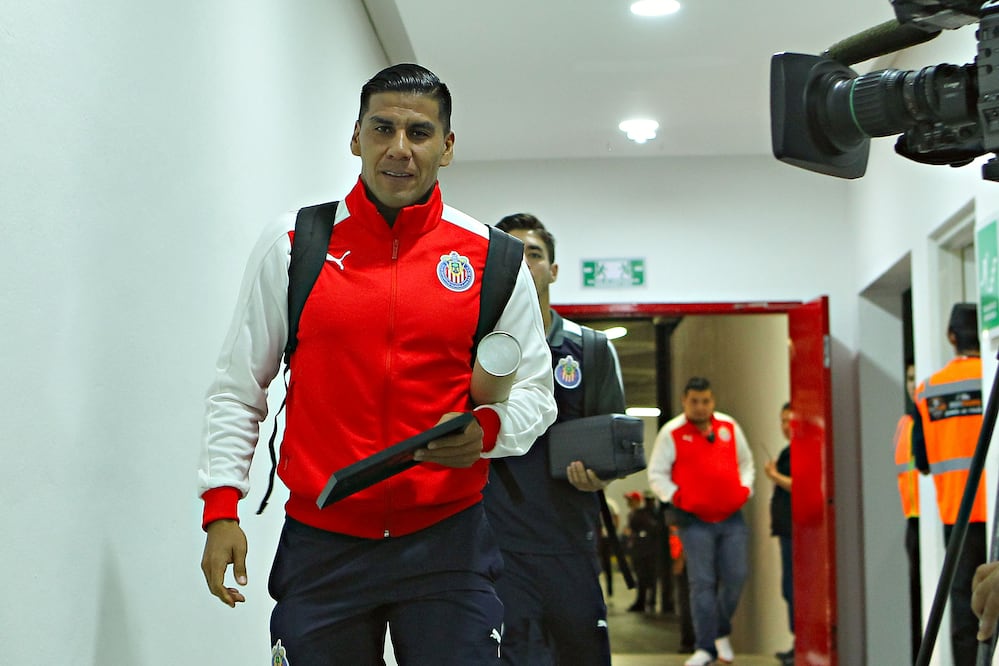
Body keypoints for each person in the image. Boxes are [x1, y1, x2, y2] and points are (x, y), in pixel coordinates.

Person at [196, 64, 558, 666]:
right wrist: (220, 509)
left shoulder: (493, 258)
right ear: (356, 137)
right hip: (323, 545)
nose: (399, 149)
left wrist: (487, 430)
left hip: (449, 544)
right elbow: (239, 388)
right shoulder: (296, 244)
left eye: (419, 133)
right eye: (382, 128)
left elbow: (536, 394)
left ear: (446, 147)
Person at [483, 212, 626, 666]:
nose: (525, 263)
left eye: (535, 254)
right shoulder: (474, 350)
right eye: (513, 254)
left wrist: (602, 474)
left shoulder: (591, 350)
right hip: (494, 547)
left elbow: (614, 441)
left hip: (570, 543)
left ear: (554, 270)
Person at [648, 376, 755, 666]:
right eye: (694, 401)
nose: (700, 407)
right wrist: (678, 497)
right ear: (685, 401)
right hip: (694, 521)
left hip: (732, 517)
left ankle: (720, 630)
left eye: (705, 400)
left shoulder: (729, 427)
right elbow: (657, 474)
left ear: (712, 400)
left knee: (736, 576)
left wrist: (745, 489)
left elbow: (746, 463)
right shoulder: (672, 433)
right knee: (702, 583)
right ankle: (705, 646)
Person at [912, 303, 987, 666]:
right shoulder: (991, 378)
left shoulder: (928, 391)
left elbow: (922, 461)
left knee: (963, 605)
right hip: (997, 512)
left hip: (958, 514)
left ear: (951, 337)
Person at [893, 362, 922, 664]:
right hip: (913, 523)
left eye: (917, 377)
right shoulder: (904, 424)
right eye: (909, 378)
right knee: (916, 599)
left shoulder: (929, 421)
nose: (913, 384)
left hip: (940, 519)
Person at [764, 402, 794, 666]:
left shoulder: (802, 451)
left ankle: (802, 644)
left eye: (790, 419)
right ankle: (797, 642)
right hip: (786, 531)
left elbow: (802, 485)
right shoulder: (787, 451)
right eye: (782, 420)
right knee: (789, 589)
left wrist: (774, 476)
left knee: (796, 589)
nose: (786, 426)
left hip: (799, 533)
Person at [623, 491, 659, 613]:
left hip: (647, 550)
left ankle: (648, 601)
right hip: (639, 549)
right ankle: (643, 601)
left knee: (647, 576)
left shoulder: (646, 515)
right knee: (641, 576)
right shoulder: (636, 514)